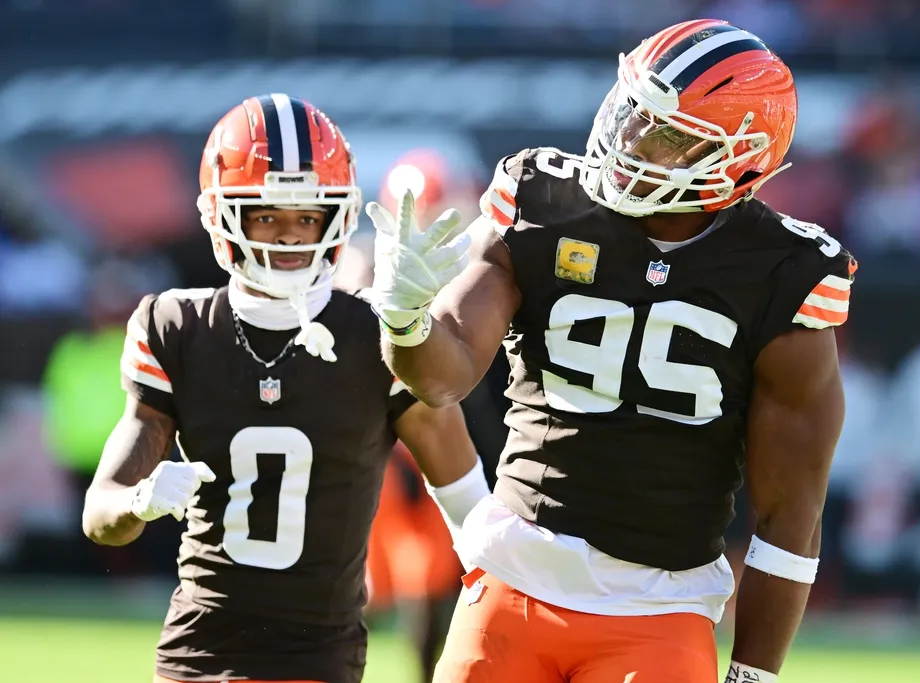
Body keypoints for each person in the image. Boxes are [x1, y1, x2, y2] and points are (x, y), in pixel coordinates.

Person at [368, 20, 856, 683]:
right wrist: (405, 320)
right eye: (632, 112)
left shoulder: (786, 272)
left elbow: (790, 511)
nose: (630, 139)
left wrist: (753, 674)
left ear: (738, 159)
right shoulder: (544, 201)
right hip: (516, 577)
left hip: (661, 606)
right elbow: (444, 375)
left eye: (667, 133)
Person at [81, 94, 483, 683]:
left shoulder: (377, 335)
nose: (289, 237)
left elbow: (472, 508)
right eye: (266, 216)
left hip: (316, 657)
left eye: (306, 217)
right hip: (198, 650)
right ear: (224, 216)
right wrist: (140, 500)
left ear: (335, 218)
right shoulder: (177, 327)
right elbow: (100, 512)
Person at [363, 150, 499, 683]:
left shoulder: (491, 276)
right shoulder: (366, 276)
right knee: (376, 588)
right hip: (401, 458)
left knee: (444, 589)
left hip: (458, 447)